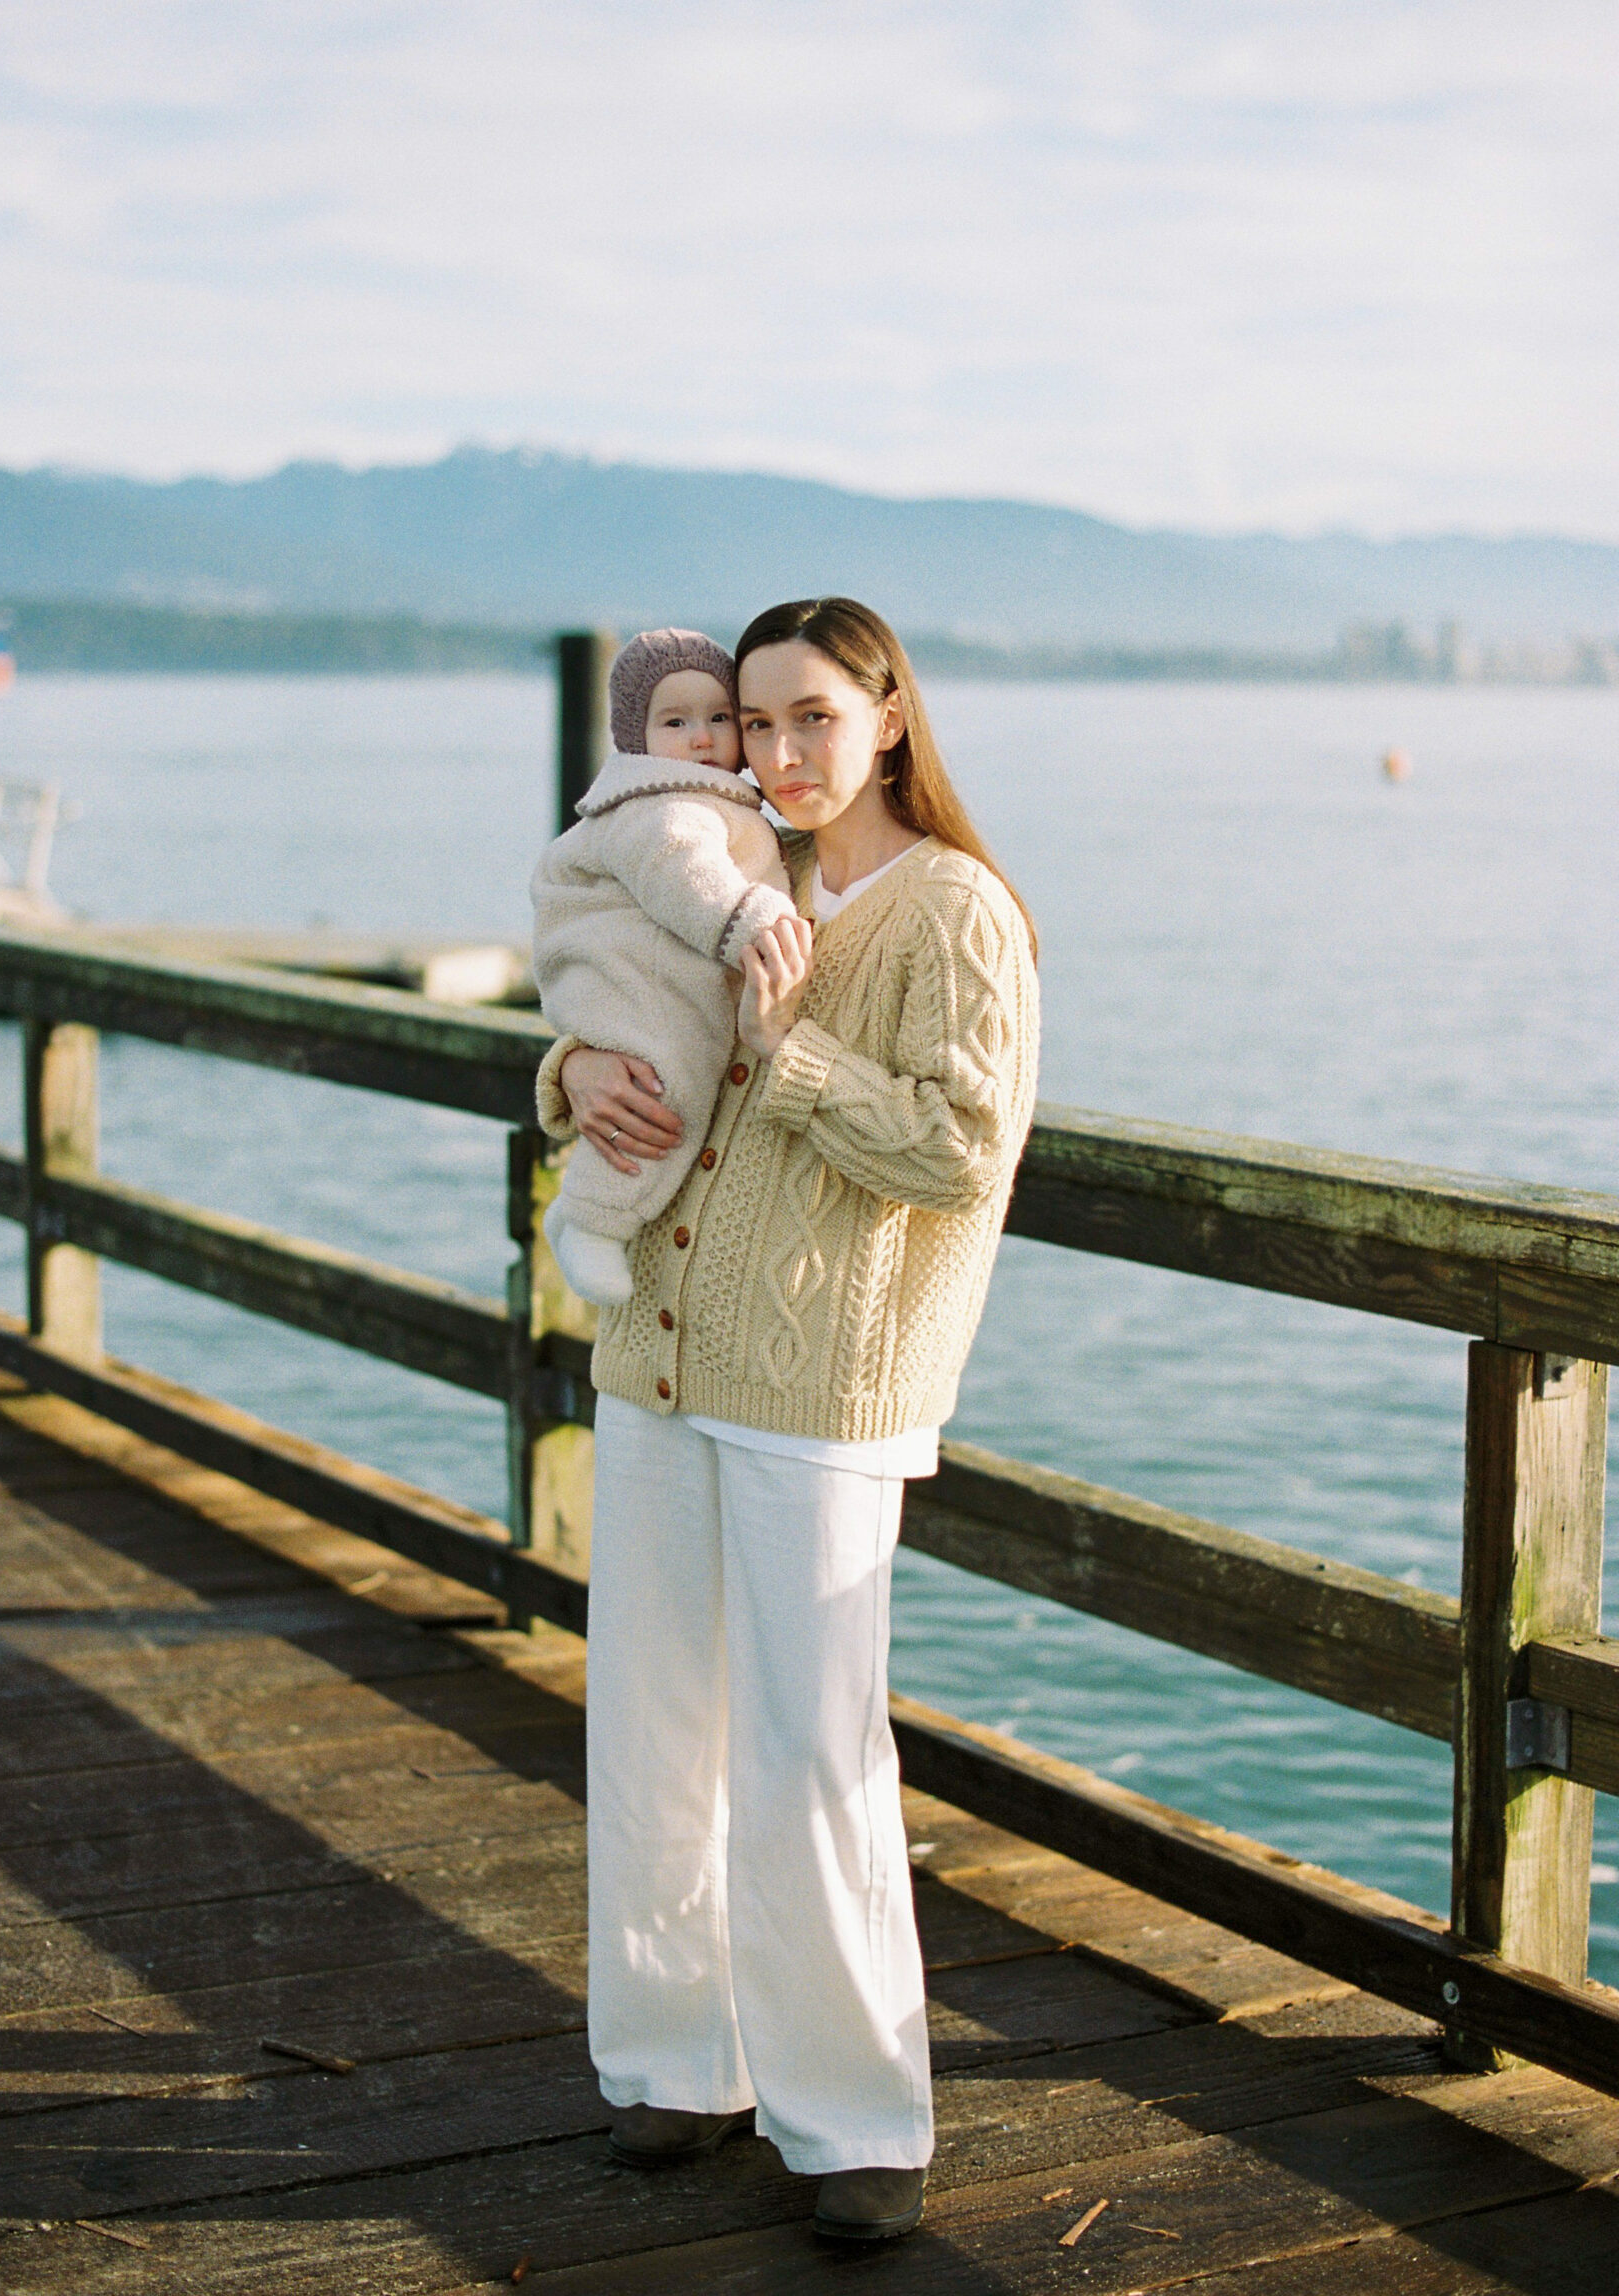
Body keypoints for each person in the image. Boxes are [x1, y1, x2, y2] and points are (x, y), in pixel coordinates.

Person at [535, 598, 1039, 2245]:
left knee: (810, 1754)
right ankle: (681, 2068)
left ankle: (855, 2124)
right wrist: (567, 1085)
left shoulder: (953, 912)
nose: (775, 753)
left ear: (889, 715)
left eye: (812, 717)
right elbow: (639, 1023)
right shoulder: (761, 878)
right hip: (662, 1360)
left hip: (819, 1388)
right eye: (751, 725)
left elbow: (964, 1150)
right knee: (651, 1729)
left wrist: (793, 1056)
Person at [530, 628, 792, 1303]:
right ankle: (593, 1218)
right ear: (635, 736)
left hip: (664, 981)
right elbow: (681, 872)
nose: (702, 738)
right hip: (641, 980)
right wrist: (749, 921)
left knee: (661, 1085)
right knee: (660, 1091)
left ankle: (586, 1213)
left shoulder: (706, 797)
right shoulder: (662, 803)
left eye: (719, 718)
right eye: (676, 722)